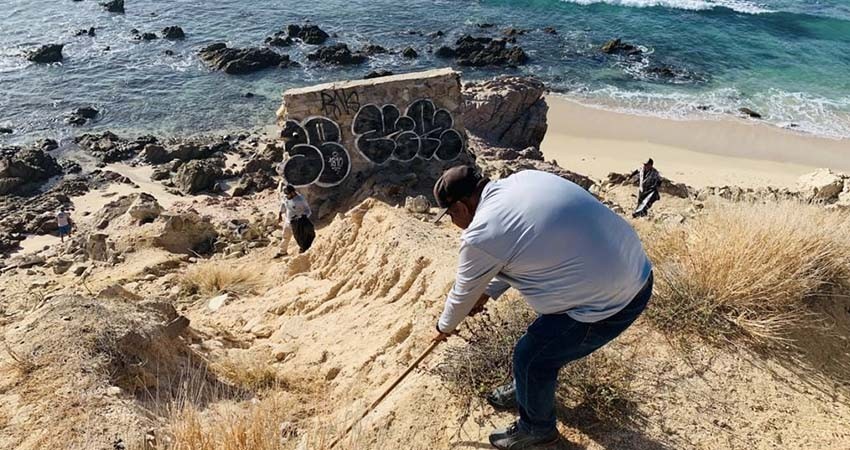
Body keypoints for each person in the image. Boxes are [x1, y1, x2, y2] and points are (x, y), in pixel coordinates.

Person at [432, 166, 653, 450]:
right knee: (544, 338)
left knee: (532, 356)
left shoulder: (481, 233)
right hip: (639, 273)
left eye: (450, 215)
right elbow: (521, 248)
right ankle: (528, 390)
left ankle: (537, 431)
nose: (453, 222)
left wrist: (444, 327)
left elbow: (462, 295)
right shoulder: (525, 180)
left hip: (612, 304)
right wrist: (486, 292)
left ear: (461, 207)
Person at [276, 184, 314, 257]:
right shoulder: (286, 197)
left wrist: (302, 218)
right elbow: (284, 204)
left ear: (293, 193)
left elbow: (308, 210)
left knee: (300, 236)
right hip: (288, 220)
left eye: (288, 194)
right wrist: (280, 214)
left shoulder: (300, 200)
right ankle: (282, 252)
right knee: (285, 235)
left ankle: (303, 249)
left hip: (298, 222)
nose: (286, 196)